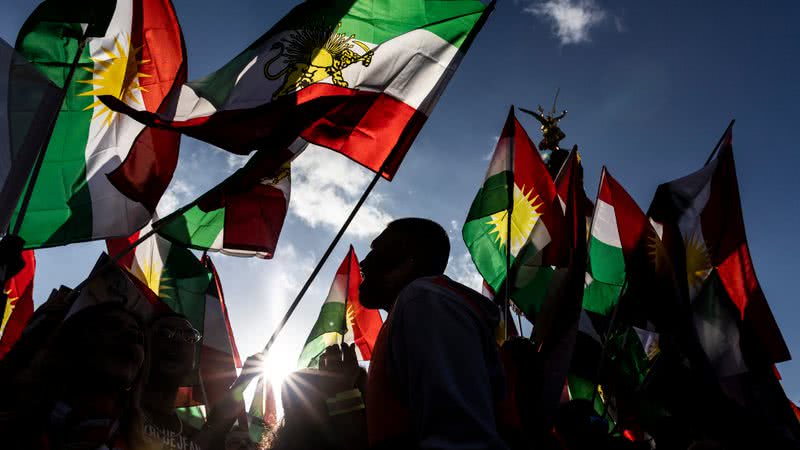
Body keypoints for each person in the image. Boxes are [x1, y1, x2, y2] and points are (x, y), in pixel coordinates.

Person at [360, 218, 508, 450]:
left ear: (408, 259)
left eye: (377, 250)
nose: (363, 263)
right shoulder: (414, 309)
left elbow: (460, 438)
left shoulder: (424, 299)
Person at [0, 302, 148, 449]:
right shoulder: (14, 427)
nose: (131, 336)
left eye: (139, 337)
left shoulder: (141, 444)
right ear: (75, 339)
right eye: (113, 326)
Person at [141, 313, 203, 450]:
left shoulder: (196, 439)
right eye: (165, 332)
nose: (179, 340)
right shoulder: (110, 417)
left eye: (190, 336)